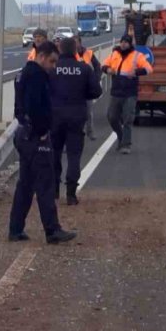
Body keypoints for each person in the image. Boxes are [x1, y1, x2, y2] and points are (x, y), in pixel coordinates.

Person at [9, 41, 77, 244]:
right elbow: (35, 107)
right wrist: (41, 132)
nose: (53, 66)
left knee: (26, 184)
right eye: (52, 61)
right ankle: (52, 230)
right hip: (35, 137)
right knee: (45, 183)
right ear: (41, 56)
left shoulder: (22, 74)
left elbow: (19, 108)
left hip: (23, 134)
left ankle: (15, 229)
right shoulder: (37, 76)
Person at [49, 37, 102, 205]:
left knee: (54, 154)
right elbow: (96, 91)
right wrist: (82, 95)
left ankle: (54, 191)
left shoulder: (52, 69)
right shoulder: (84, 69)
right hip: (76, 117)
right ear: (75, 50)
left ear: (60, 50)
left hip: (54, 117)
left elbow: (43, 90)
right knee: (73, 155)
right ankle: (71, 194)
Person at [103, 34, 154, 154]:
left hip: (130, 93)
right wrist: (108, 69)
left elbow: (149, 69)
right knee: (112, 117)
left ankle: (126, 145)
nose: (123, 44)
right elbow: (104, 65)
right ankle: (121, 136)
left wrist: (136, 72)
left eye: (126, 42)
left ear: (130, 44)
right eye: (122, 42)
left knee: (127, 118)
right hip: (116, 92)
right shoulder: (114, 54)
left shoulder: (137, 55)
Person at [75, 35, 103, 140]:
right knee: (76, 113)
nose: (75, 45)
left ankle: (90, 132)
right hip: (75, 88)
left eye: (76, 42)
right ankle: (78, 133)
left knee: (88, 112)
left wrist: (95, 79)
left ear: (80, 43)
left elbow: (97, 66)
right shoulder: (70, 55)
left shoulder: (89, 53)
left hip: (87, 87)